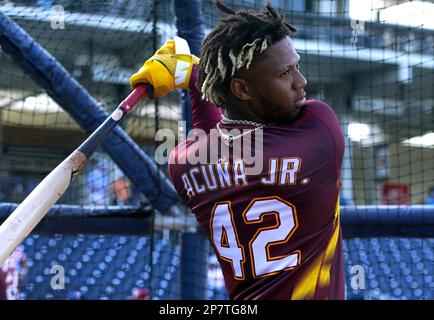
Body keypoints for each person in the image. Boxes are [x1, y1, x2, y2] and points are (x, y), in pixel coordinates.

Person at [130, 1, 345, 299]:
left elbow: (214, 136)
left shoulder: (183, 163)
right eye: (285, 74)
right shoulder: (320, 130)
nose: (301, 82)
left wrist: (195, 77)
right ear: (242, 89)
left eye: (297, 66)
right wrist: (193, 73)